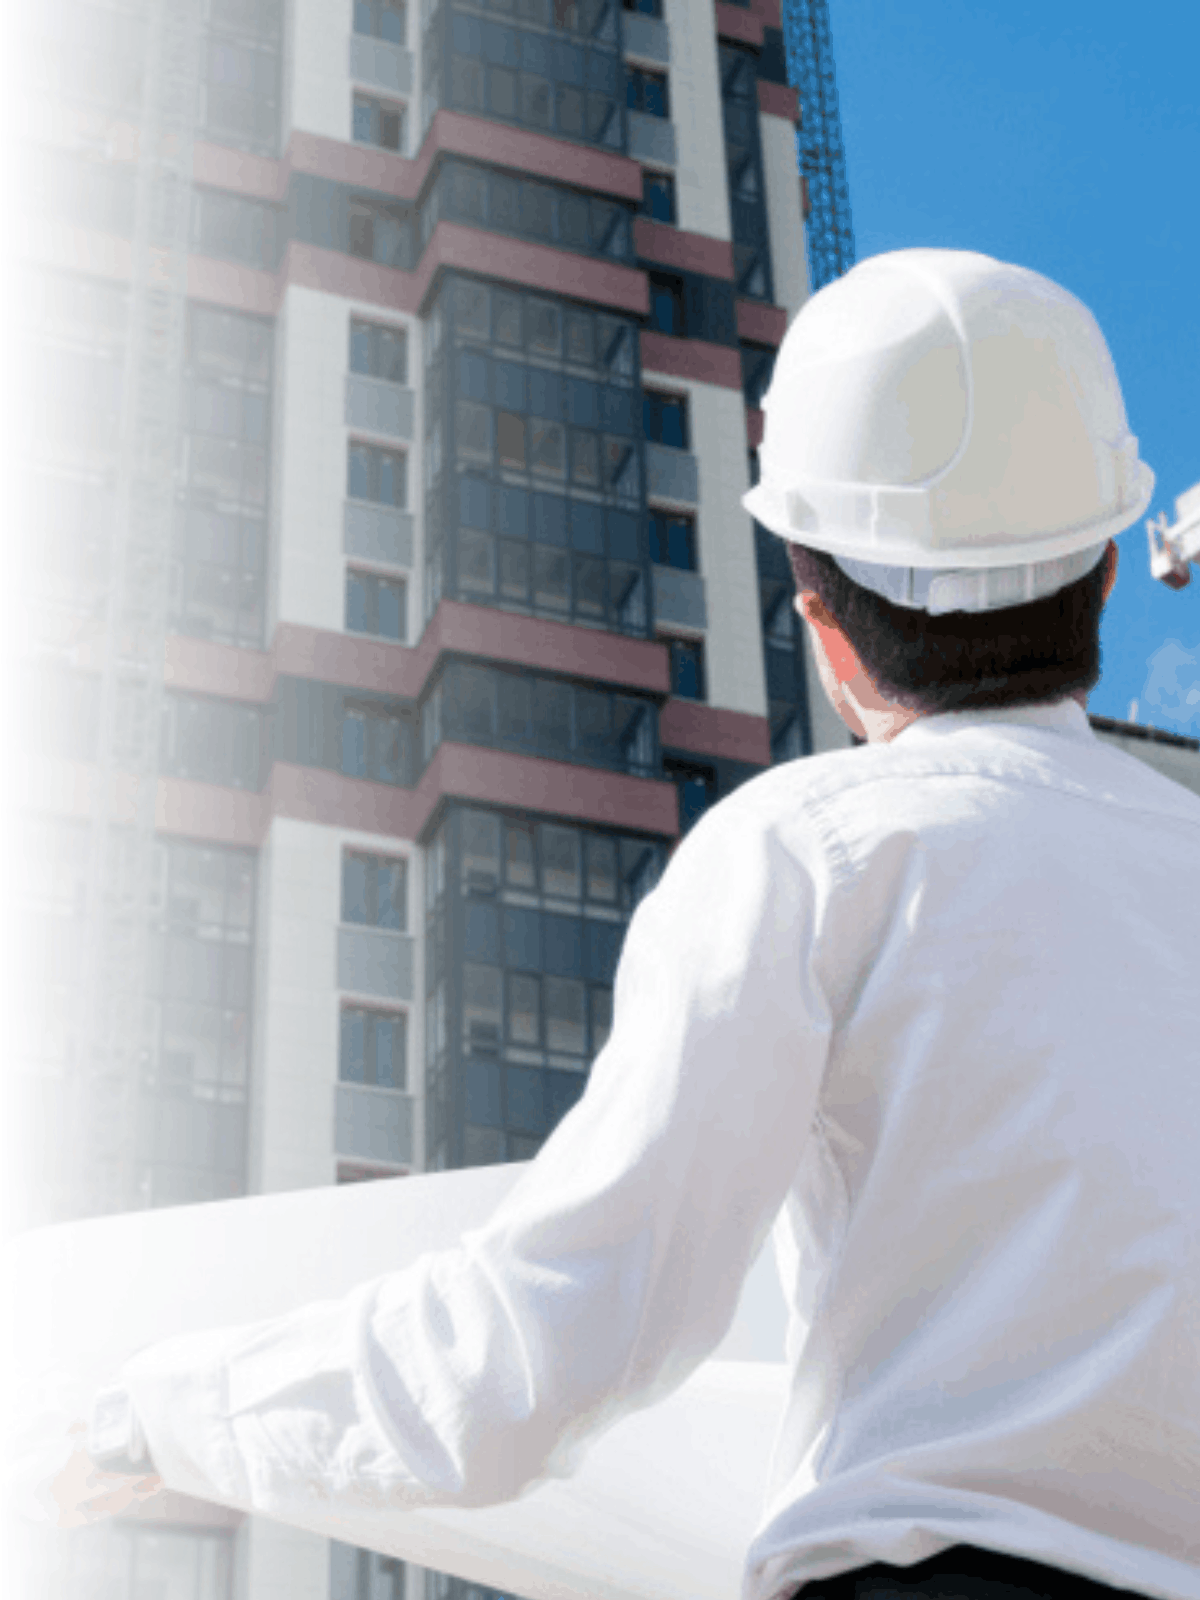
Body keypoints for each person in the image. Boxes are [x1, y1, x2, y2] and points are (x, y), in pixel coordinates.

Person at [46, 250, 1200, 1600]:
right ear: (1112, 574)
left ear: (820, 621)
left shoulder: (814, 857)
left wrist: (166, 1412)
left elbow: (546, 1347)